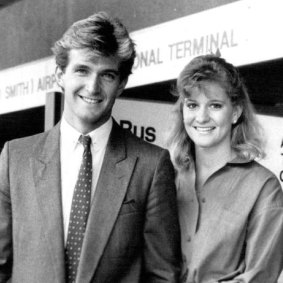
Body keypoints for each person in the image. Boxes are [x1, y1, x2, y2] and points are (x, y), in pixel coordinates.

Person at [0, 11, 181, 283]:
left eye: (107, 75)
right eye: (82, 70)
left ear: (121, 84)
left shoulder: (151, 165)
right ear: (60, 74)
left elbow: (162, 275)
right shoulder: (15, 158)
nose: (93, 87)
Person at [166, 54, 283, 283]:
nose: (201, 117)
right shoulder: (166, 176)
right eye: (192, 105)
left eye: (215, 106)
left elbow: (259, 277)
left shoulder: (264, 188)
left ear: (236, 112)